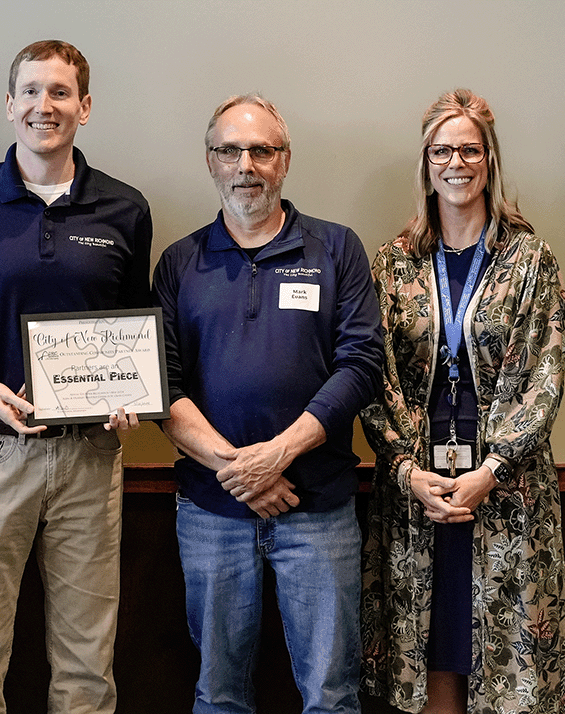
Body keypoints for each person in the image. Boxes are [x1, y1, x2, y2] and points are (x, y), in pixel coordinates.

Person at [0, 40, 153, 714]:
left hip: (89, 457)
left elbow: (132, 332)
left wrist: (125, 398)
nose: (42, 106)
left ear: (84, 107)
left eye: (58, 93)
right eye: (29, 91)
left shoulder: (125, 209)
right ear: (9, 104)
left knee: (86, 665)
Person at [152, 94, 383, 714]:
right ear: (210, 162)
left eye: (262, 150)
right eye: (230, 151)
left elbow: (361, 365)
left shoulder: (337, 250)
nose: (245, 164)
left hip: (319, 510)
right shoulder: (179, 263)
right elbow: (162, 387)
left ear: (285, 161)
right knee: (219, 694)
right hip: (211, 513)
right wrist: (241, 472)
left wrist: (279, 454)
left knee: (332, 694)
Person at [359, 88, 565, 714]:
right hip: (418, 494)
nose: (457, 163)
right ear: (425, 163)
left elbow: (545, 378)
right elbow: (373, 376)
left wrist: (493, 468)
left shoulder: (529, 261)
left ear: (490, 159)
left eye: (470, 150)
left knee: (506, 668)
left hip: (506, 495)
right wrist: (404, 470)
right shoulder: (394, 264)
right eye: (442, 151)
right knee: (431, 654)